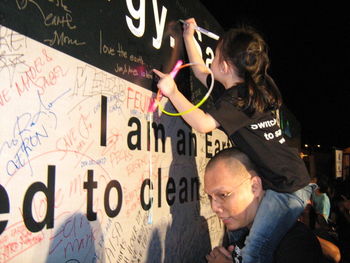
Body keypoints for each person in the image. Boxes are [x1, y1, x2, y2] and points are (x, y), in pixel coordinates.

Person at [153, 18, 314, 263]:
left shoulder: (238, 98)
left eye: (215, 56)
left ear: (226, 66)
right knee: (239, 232)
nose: (211, 60)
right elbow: (200, 71)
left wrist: (172, 92)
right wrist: (188, 37)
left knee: (255, 249)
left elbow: (203, 124)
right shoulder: (240, 92)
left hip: (286, 189)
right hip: (287, 180)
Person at [203, 148, 323, 263]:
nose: (214, 207)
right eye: (210, 197)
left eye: (223, 195)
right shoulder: (243, 234)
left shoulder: (295, 243)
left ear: (254, 187)